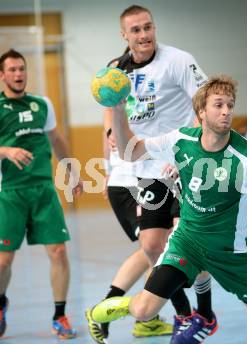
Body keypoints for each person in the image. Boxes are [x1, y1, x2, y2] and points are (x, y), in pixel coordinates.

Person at [86, 75, 247, 344]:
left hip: (233, 250)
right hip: (188, 242)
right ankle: (114, 310)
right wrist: (116, 109)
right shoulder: (181, 140)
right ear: (201, 112)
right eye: (218, 104)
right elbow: (129, 152)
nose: (226, 111)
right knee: (143, 309)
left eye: (230, 105)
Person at [88, 5, 215, 343]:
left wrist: (192, 148)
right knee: (152, 246)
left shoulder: (177, 60)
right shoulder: (116, 73)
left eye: (148, 28)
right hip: (145, 169)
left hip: (181, 165)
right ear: (124, 35)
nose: (143, 36)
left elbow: (205, 105)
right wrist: (107, 165)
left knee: (188, 241)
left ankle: (202, 313)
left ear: (154, 27)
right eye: (136, 31)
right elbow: (112, 127)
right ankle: (187, 314)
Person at [0, 49, 83, 339]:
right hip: (8, 192)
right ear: (2, 75)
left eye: (21, 68)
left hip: (44, 190)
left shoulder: (41, 104)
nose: (18, 74)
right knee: (3, 261)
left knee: (59, 252)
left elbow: (56, 139)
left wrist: (72, 171)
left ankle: (60, 316)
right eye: (12, 70)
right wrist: (6, 151)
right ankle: (0, 305)